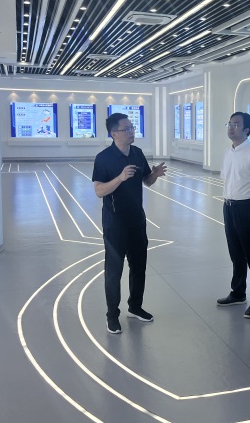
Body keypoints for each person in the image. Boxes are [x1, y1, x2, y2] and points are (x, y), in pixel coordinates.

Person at [92, 113, 166, 335]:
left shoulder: (137, 153)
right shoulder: (104, 158)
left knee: (139, 267)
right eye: (127, 129)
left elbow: (146, 181)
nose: (132, 132)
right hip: (115, 222)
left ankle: (135, 306)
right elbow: (99, 191)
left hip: (137, 220)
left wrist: (155, 175)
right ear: (114, 133)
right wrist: (120, 178)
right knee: (114, 271)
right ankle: (112, 316)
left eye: (132, 128)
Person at [217, 112, 250, 319]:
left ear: (247, 129)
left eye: (236, 124)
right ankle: (238, 292)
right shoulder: (228, 152)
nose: (231, 127)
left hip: (247, 208)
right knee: (236, 253)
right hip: (229, 206)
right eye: (229, 123)